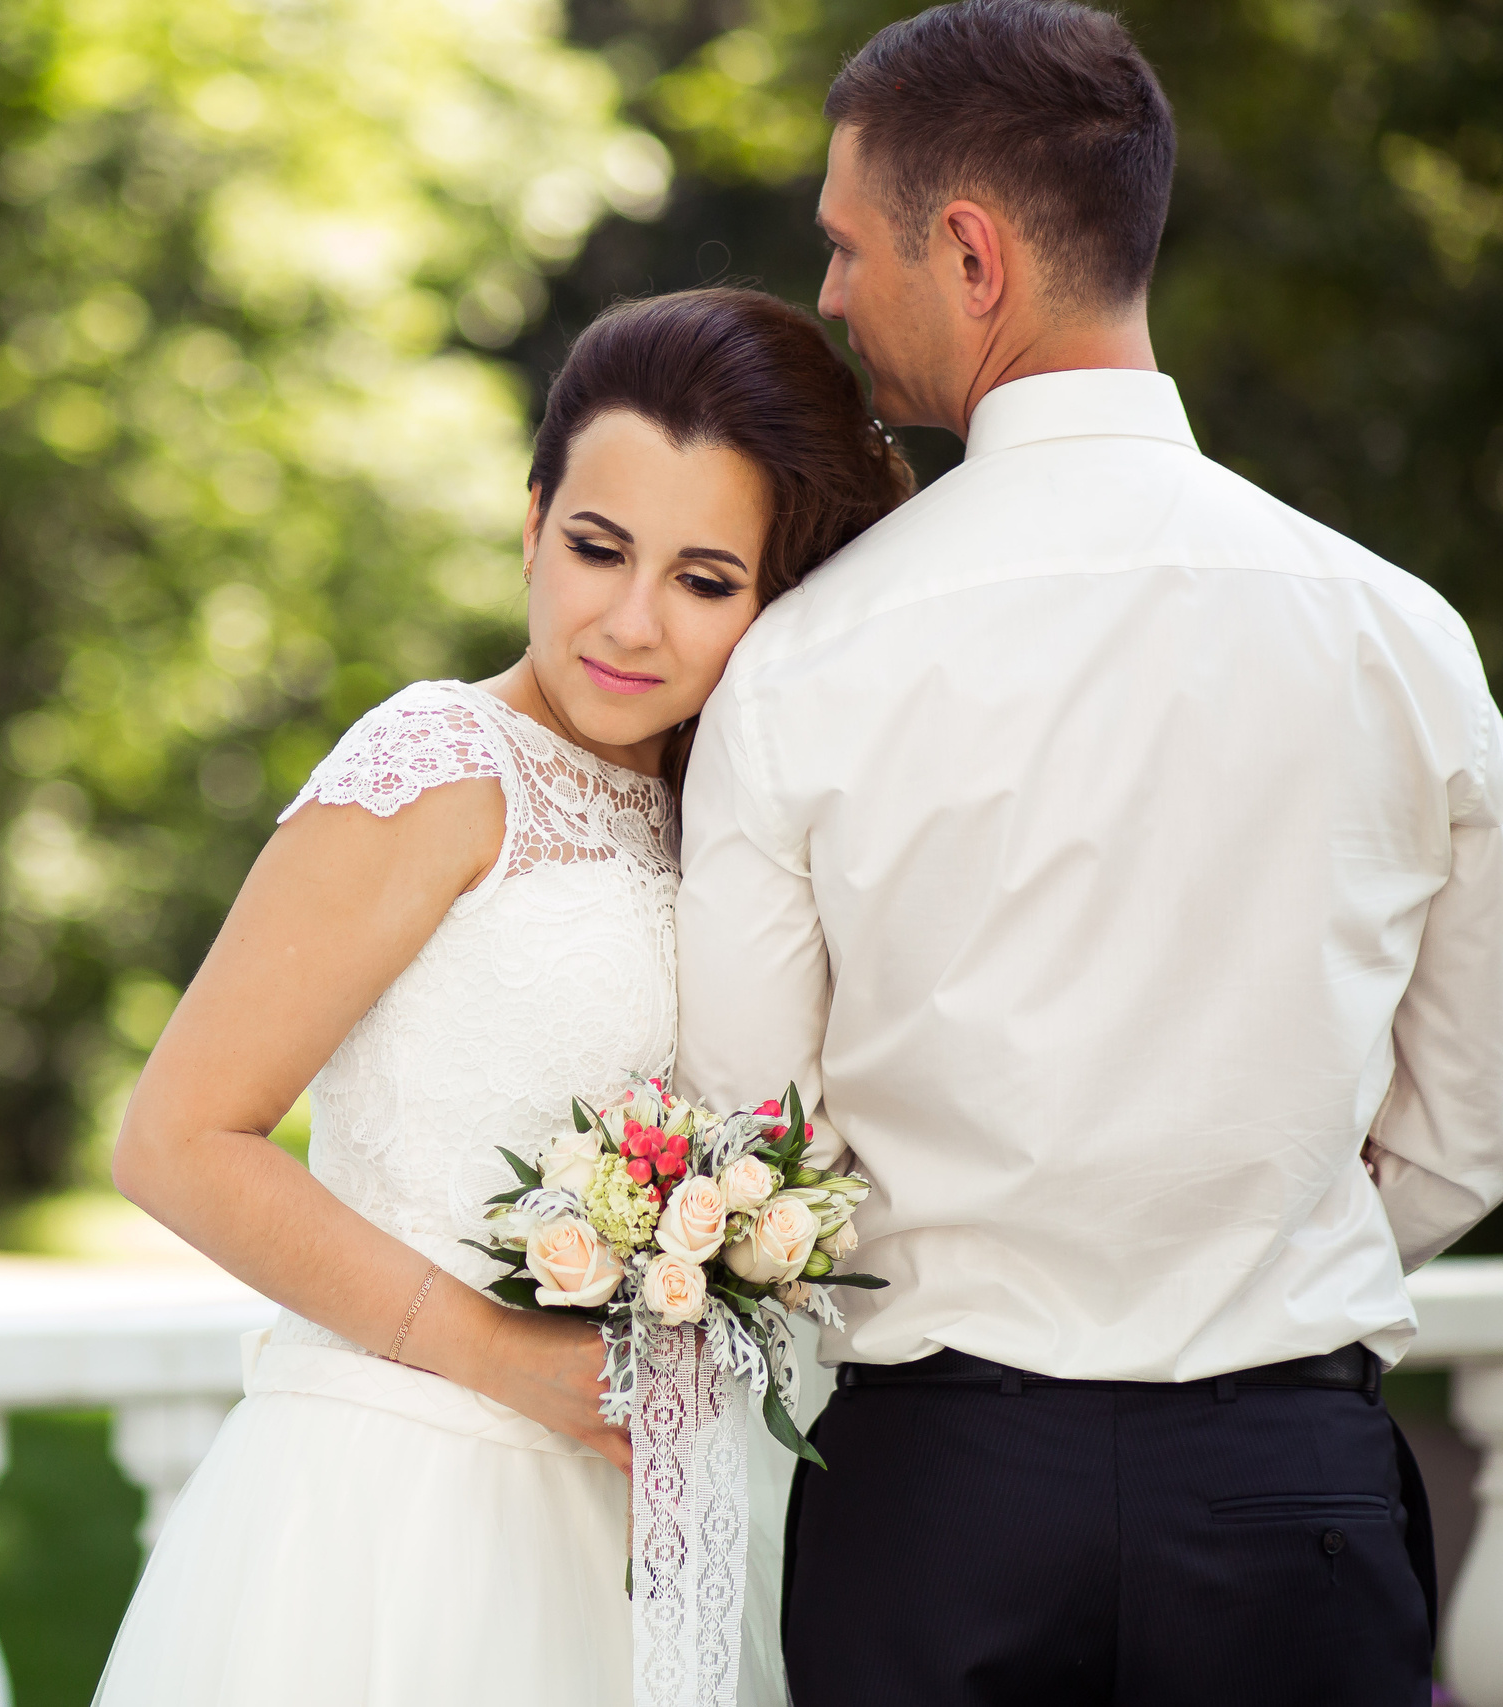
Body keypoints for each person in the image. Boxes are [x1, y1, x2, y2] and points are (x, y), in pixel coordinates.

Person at [674, 3, 1503, 1702]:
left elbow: (753, 1119)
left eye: (845, 244)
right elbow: (1462, 1125)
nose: (828, 292)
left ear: (970, 254)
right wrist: (1248, 1249)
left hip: (939, 1509)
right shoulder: (1401, 635)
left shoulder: (811, 657)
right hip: (1296, 1497)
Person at [93, 287, 911, 1707]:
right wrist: (514, 1363)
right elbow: (175, 1140)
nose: (631, 621)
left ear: (775, 602)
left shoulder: (726, 815)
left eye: (706, 580)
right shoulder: (438, 764)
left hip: (659, 1525)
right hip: (407, 1510)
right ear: (532, 522)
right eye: (598, 548)